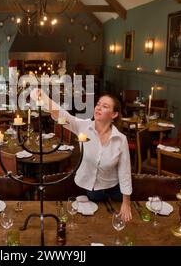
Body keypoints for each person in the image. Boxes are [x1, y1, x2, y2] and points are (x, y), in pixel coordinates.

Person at [32, 89, 132, 222]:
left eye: (105, 106)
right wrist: (43, 97)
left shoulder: (121, 139)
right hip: (91, 191)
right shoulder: (83, 127)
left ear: (114, 114)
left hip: (115, 191)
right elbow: (62, 114)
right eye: (98, 104)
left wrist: (126, 203)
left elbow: (125, 172)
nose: (98, 107)